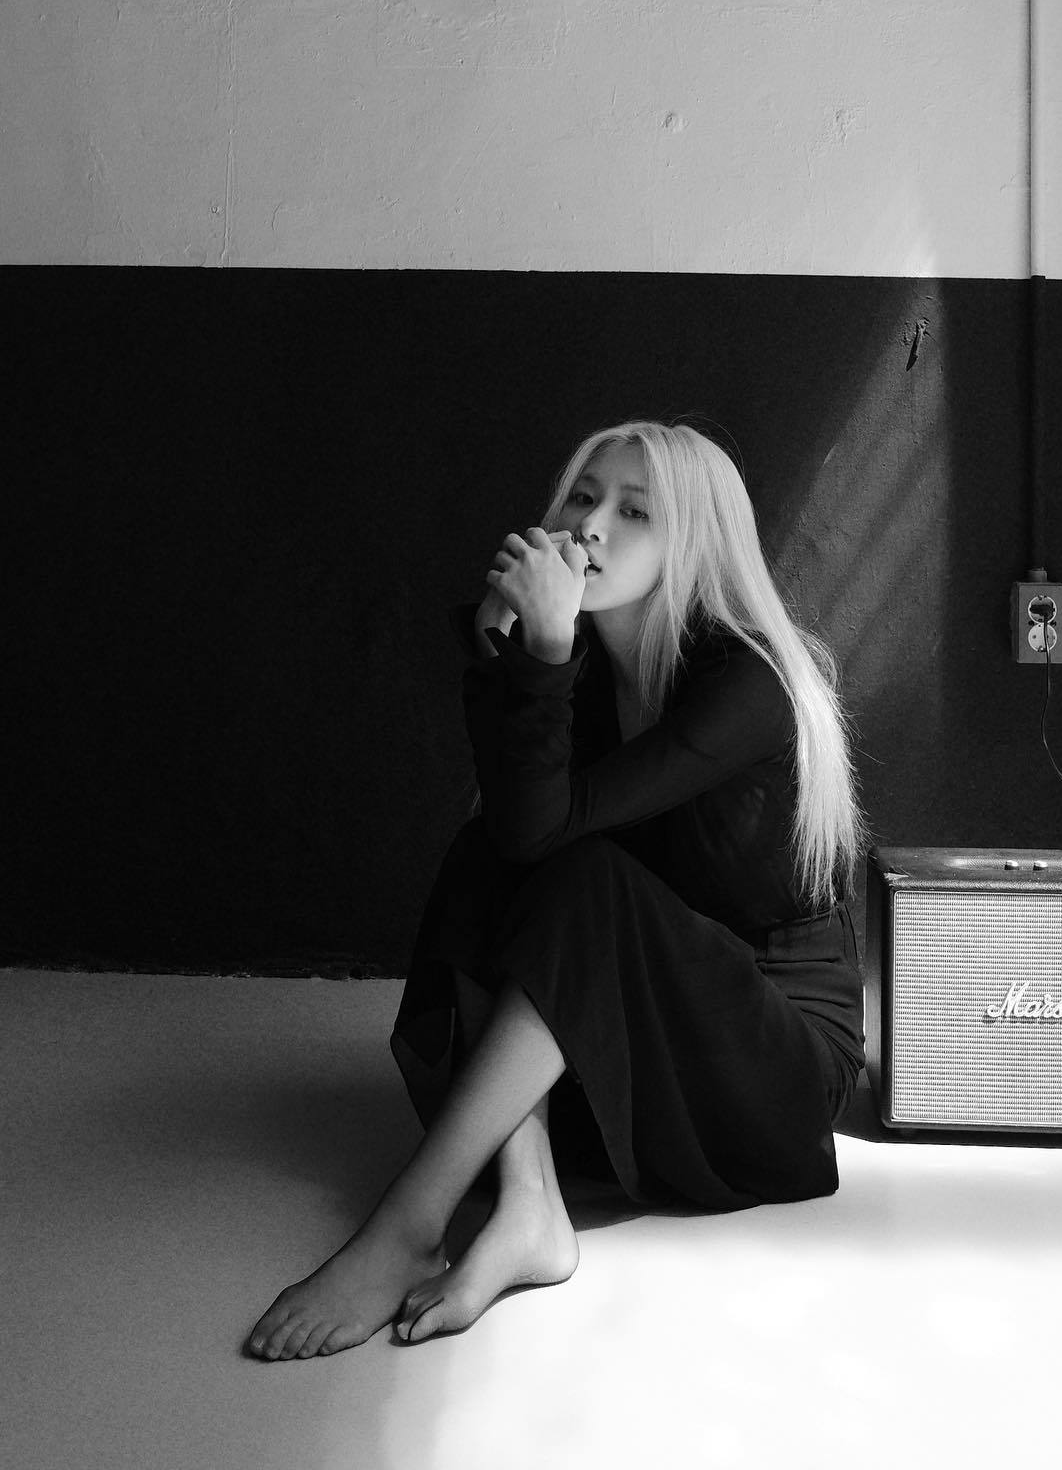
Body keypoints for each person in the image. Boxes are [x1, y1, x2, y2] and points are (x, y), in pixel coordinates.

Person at [246, 419, 864, 1361]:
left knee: (578, 872)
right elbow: (515, 833)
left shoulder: (747, 682)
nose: (592, 526)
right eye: (584, 495)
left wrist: (536, 655)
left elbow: (557, 840)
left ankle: (407, 1224)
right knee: (488, 851)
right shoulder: (586, 664)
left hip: (768, 1062)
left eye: (636, 512)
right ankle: (529, 1203)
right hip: (635, 1023)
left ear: (694, 546)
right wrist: (513, 658)